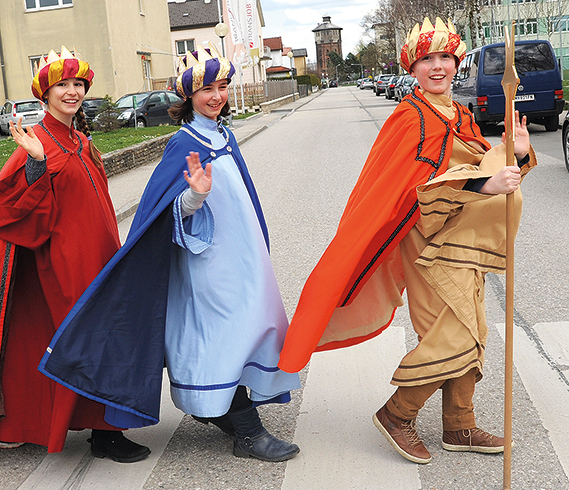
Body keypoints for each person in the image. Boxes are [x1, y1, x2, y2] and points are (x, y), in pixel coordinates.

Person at [276, 18, 536, 464]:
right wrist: (481, 187)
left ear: (457, 63)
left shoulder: (459, 113)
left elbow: (482, 164)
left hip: (462, 240)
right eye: (426, 59)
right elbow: (416, 187)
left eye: (445, 58)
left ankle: (460, 424)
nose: (438, 67)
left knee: (474, 330)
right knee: (452, 334)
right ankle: (398, 414)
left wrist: (515, 153)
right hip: (427, 244)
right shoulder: (409, 117)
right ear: (412, 69)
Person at [39, 43, 301, 462]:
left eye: (222, 87)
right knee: (224, 337)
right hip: (207, 264)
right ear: (188, 97)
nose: (216, 96)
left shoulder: (224, 133)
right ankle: (246, 432)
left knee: (253, 326)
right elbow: (164, 212)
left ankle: (221, 412)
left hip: (242, 261)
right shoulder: (184, 142)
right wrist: (195, 198)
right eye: (206, 90)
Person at [0, 47, 151, 463]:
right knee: (83, 343)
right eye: (62, 85)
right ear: (45, 95)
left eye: (77, 84)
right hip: (60, 267)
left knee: (101, 339)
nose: (72, 92)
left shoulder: (81, 140)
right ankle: (103, 432)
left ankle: (105, 430)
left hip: (98, 259)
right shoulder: (37, 141)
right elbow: (7, 209)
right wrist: (34, 166)